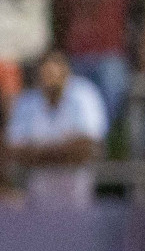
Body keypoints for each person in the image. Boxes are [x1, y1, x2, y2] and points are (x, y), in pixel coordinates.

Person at [4, 50, 107, 209]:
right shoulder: (27, 102)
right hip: (37, 202)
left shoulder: (84, 95)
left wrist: (38, 154)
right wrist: (65, 151)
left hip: (79, 200)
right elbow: (14, 151)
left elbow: (88, 149)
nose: (50, 79)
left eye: (54, 73)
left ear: (65, 71)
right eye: (45, 74)